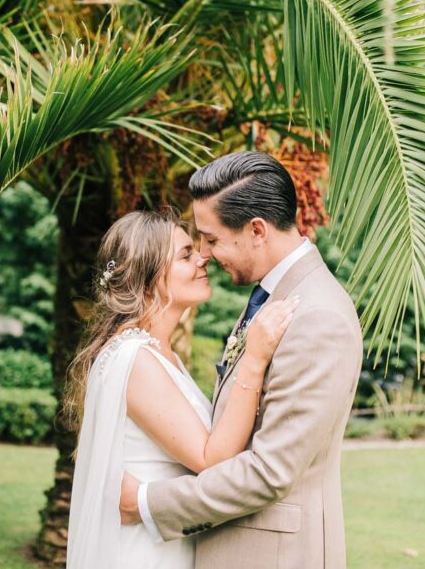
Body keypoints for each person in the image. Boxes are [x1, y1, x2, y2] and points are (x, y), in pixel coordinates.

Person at [119, 151, 364, 569]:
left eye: (211, 239)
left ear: (256, 230)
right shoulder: (277, 296)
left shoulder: (318, 316)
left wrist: (145, 502)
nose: (205, 254)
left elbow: (270, 472)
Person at [64, 206, 297, 568]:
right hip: (145, 553)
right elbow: (211, 458)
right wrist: (254, 358)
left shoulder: (157, 351)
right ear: (148, 276)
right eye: (186, 255)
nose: (203, 258)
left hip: (164, 539)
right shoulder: (135, 358)